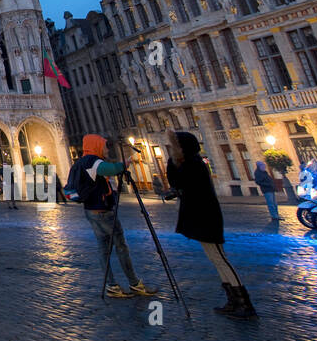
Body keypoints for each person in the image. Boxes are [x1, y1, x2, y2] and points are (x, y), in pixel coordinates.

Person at [166, 130, 255, 319]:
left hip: (206, 217)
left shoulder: (193, 164)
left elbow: (177, 181)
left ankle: (244, 303)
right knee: (216, 259)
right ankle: (233, 300)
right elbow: (177, 183)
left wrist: (172, 164)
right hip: (204, 217)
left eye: (175, 146)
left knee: (221, 258)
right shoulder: (192, 163)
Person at [69, 134, 157, 299]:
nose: (107, 148)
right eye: (104, 145)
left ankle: (112, 286)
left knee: (103, 250)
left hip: (91, 211)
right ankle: (134, 283)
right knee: (121, 247)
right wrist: (126, 163)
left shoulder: (81, 162)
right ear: (96, 146)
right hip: (103, 211)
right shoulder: (92, 161)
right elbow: (112, 169)